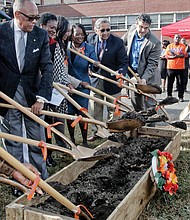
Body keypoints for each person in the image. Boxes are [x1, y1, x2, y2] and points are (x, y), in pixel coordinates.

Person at [0, 0, 53, 180]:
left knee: (36, 140)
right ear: (17, 15)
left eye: (36, 18)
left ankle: (41, 178)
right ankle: (20, 179)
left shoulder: (40, 35)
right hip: (9, 96)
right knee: (13, 140)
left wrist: (41, 98)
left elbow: (47, 67)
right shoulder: (1, 33)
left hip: (33, 95)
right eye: (30, 18)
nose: (34, 22)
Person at [88, 18, 128, 141]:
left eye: (108, 30)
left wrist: (120, 72)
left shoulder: (117, 42)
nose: (105, 32)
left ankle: (113, 132)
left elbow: (124, 62)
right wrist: (89, 67)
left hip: (112, 81)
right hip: (96, 80)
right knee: (96, 108)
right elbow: (87, 56)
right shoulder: (90, 39)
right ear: (96, 30)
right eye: (102, 30)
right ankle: (97, 132)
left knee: (113, 108)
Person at [122, 13, 161, 112]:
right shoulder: (131, 31)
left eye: (146, 28)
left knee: (150, 105)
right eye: (141, 27)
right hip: (132, 74)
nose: (143, 30)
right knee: (135, 101)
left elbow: (152, 64)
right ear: (136, 24)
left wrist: (144, 79)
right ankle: (140, 121)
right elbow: (121, 43)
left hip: (148, 76)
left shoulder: (155, 42)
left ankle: (151, 125)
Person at [67, 23, 98, 147]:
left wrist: (95, 66)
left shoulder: (89, 48)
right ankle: (72, 141)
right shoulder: (66, 47)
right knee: (69, 115)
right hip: (68, 86)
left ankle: (84, 141)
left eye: (82, 34)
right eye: (77, 34)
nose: (80, 37)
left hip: (83, 86)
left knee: (82, 114)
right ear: (71, 35)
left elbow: (93, 67)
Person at [165, 34, 187, 102]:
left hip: (180, 68)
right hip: (171, 67)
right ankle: (169, 96)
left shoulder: (182, 46)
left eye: (178, 38)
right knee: (170, 82)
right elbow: (166, 55)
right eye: (176, 37)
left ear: (180, 39)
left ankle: (181, 97)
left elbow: (185, 55)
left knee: (180, 83)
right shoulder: (169, 46)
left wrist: (179, 55)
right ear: (173, 38)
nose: (177, 39)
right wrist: (172, 57)